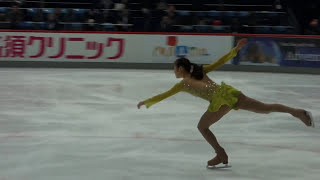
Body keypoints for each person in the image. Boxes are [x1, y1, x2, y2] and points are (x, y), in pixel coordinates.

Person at [137, 38, 315, 168]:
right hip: (229, 93)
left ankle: (220, 154)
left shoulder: (183, 84)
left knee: (202, 127)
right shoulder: (201, 70)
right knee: (265, 108)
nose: (173, 71)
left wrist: (147, 101)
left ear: (181, 69)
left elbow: (165, 94)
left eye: (174, 68)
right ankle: (296, 112)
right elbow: (220, 61)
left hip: (219, 101)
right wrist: (234, 50)